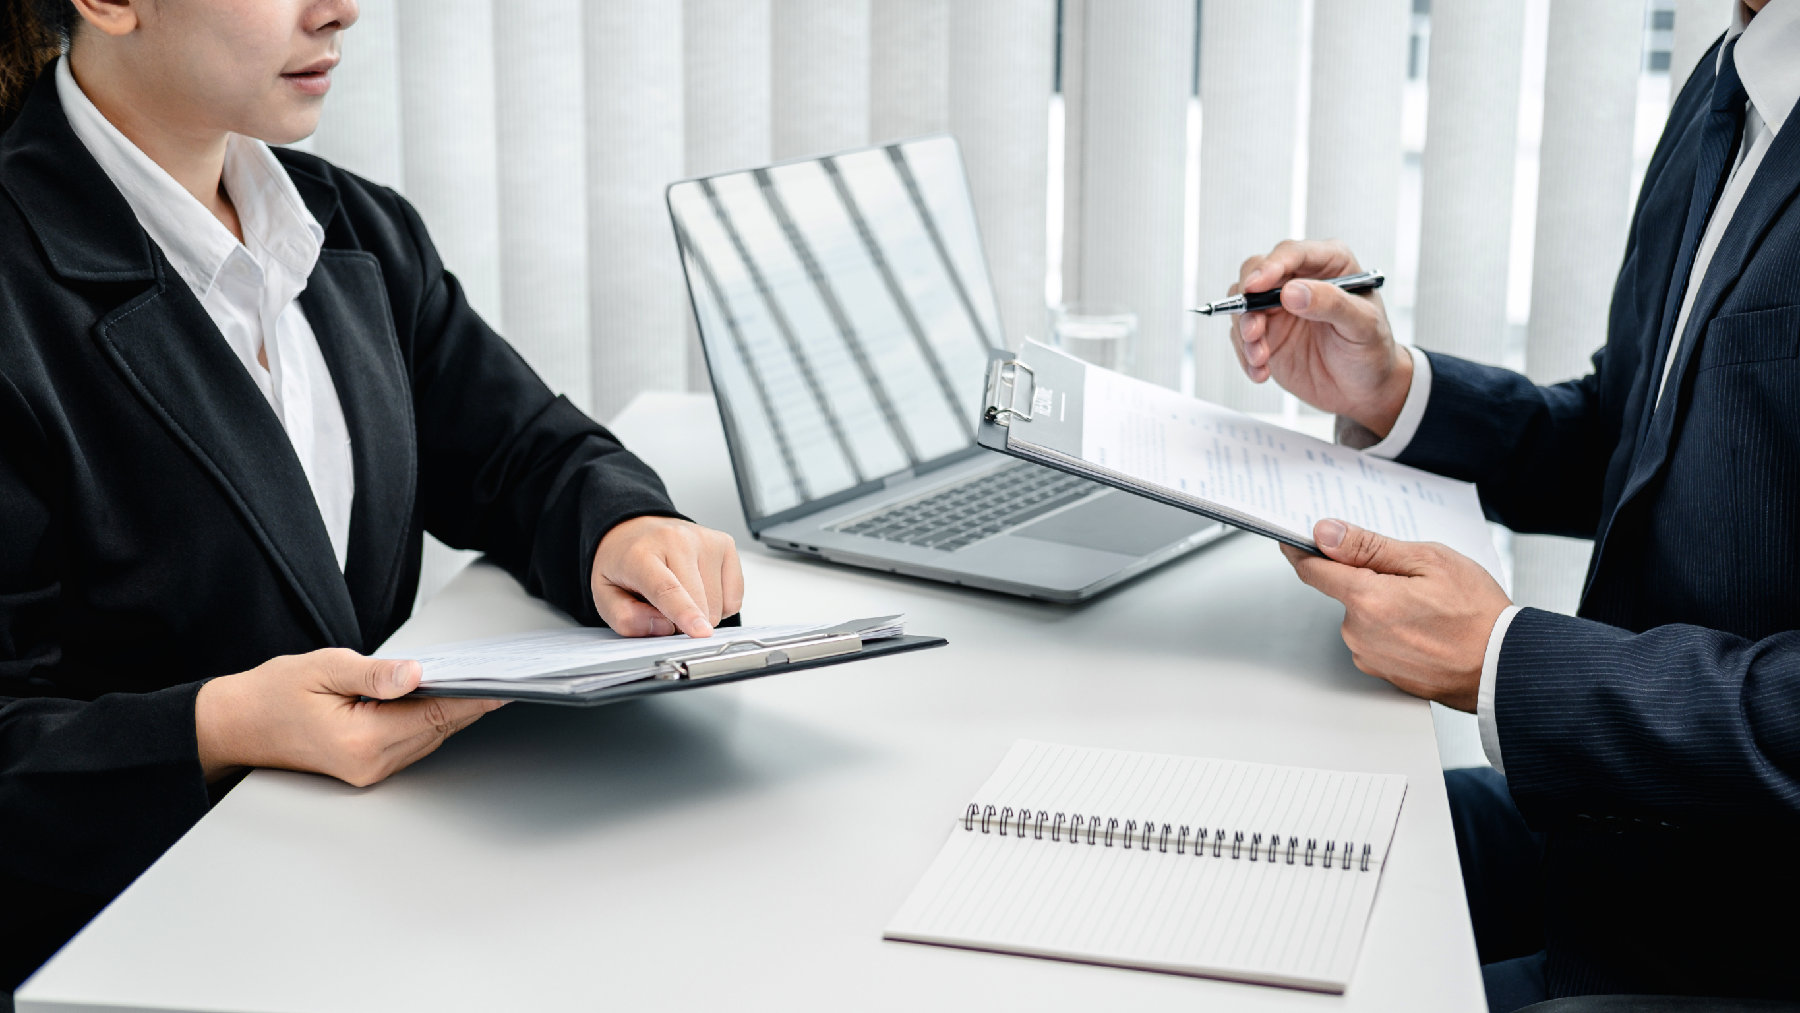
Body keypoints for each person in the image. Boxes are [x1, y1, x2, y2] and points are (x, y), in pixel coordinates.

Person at [0, 0, 744, 994]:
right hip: (140, 945)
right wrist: (222, 727)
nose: (341, 8)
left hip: (369, 900)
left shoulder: (349, 227)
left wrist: (624, 524)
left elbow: (520, 451)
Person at [1227, 0, 1799, 1007]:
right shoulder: (1733, 83)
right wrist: (1396, 390)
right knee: (1234, 860)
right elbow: (1635, 435)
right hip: (1622, 831)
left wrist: (1506, 658)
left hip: (1746, 931)